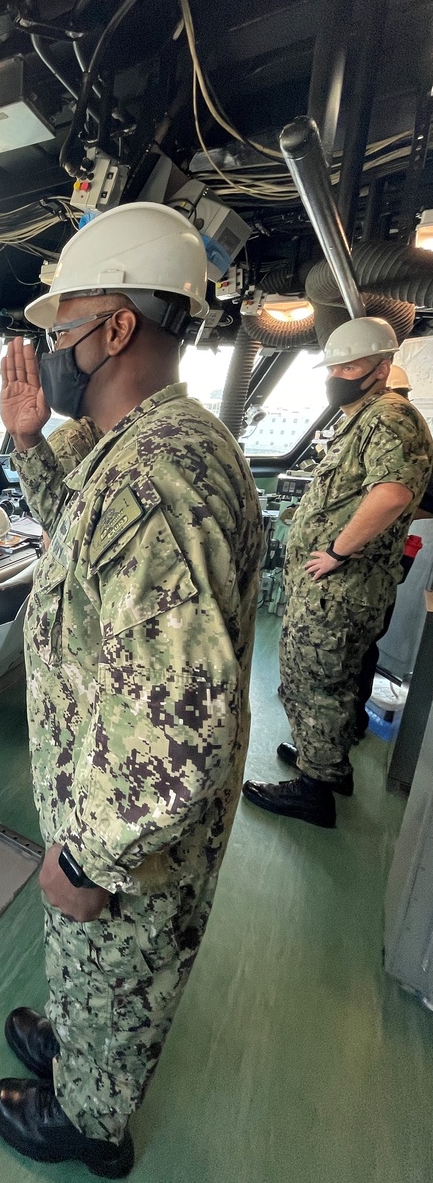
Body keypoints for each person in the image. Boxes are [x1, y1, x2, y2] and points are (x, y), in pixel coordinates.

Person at [0, 204, 262, 1179]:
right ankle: (74, 1036)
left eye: (63, 325)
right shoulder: (146, 439)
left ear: (115, 331)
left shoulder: (157, 476)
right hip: (108, 790)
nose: (46, 346)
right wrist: (28, 441)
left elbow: (175, 724)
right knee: (95, 977)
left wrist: (91, 859)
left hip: (128, 827)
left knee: (120, 966)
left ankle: (88, 1123)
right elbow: (78, 537)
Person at [243, 318, 433, 828]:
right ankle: (326, 763)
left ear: (382, 368)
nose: (339, 374)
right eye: (335, 366)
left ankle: (314, 788)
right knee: (335, 679)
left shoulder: (388, 417)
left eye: (350, 365)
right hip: (340, 589)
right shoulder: (366, 417)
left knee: (313, 682)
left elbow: (392, 493)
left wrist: (338, 552)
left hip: (340, 588)